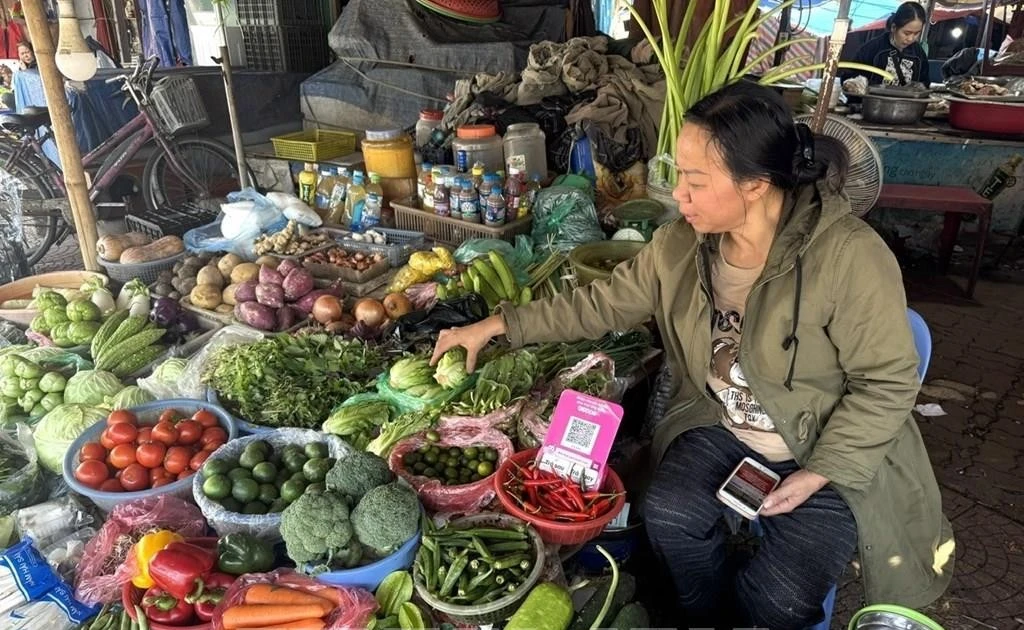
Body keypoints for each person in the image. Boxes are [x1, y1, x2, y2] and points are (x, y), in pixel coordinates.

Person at [431, 80, 955, 629]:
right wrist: (499, 325)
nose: (677, 194)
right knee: (669, 516)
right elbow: (602, 303)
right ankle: (705, 614)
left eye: (695, 180)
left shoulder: (849, 256)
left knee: (780, 597)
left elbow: (887, 384)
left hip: (823, 444)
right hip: (720, 424)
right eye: (678, 174)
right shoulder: (681, 246)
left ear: (754, 184)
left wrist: (819, 472)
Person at [849, 2, 930, 86]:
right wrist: (857, 83)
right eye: (907, 33)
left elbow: (925, 81)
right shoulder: (872, 48)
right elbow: (849, 77)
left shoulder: (918, 54)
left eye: (916, 33)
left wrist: (921, 86)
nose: (911, 39)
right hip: (874, 99)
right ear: (894, 27)